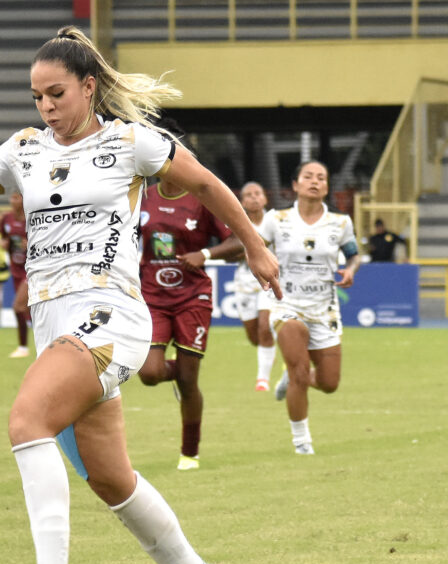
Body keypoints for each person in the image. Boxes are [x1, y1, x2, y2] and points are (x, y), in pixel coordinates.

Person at [0, 26, 280, 564]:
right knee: (111, 478)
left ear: (88, 87)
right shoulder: (24, 148)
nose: (46, 107)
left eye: (56, 94)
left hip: (111, 313)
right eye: (37, 97)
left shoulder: (131, 142)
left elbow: (206, 183)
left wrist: (256, 247)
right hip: (54, 321)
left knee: (27, 420)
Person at [136, 158, 244, 471]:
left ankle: (189, 453)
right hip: (152, 297)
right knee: (149, 373)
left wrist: (205, 253)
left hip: (192, 298)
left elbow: (238, 241)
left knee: (188, 381)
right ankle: (177, 371)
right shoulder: (141, 197)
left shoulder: (203, 199)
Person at [265, 161, 360, 455]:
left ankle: (291, 376)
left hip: (324, 310)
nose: (315, 181)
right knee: (300, 371)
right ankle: (301, 442)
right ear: (295, 184)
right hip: (287, 305)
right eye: (308, 177)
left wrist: (350, 270)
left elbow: (354, 255)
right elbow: (256, 247)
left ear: (327, 186)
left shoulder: (340, 223)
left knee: (330, 383)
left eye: (321, 177)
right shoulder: (276, 219)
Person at [231, 182, 278, 392]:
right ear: (242, 202)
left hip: (270, 279)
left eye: (258, 193)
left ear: (265, 198)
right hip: (245, 281)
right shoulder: (236, 223)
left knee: (265, 327)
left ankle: (262, 380)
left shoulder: (275, 221)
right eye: (248, 195)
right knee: (254, 336)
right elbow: (230, 251)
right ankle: (271, 350)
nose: (254, 198)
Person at [0, 192, 31, 357]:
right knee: (28, 311)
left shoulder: (32, 218)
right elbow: (3, 239)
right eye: (12, 197)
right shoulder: (6, 219)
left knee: (18, 307)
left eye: (16, 197)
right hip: (16, 269)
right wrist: (4, 244)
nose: (12, 200)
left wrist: (31, 244)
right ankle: (25, 347)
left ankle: (23, 348)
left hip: (31, 269)